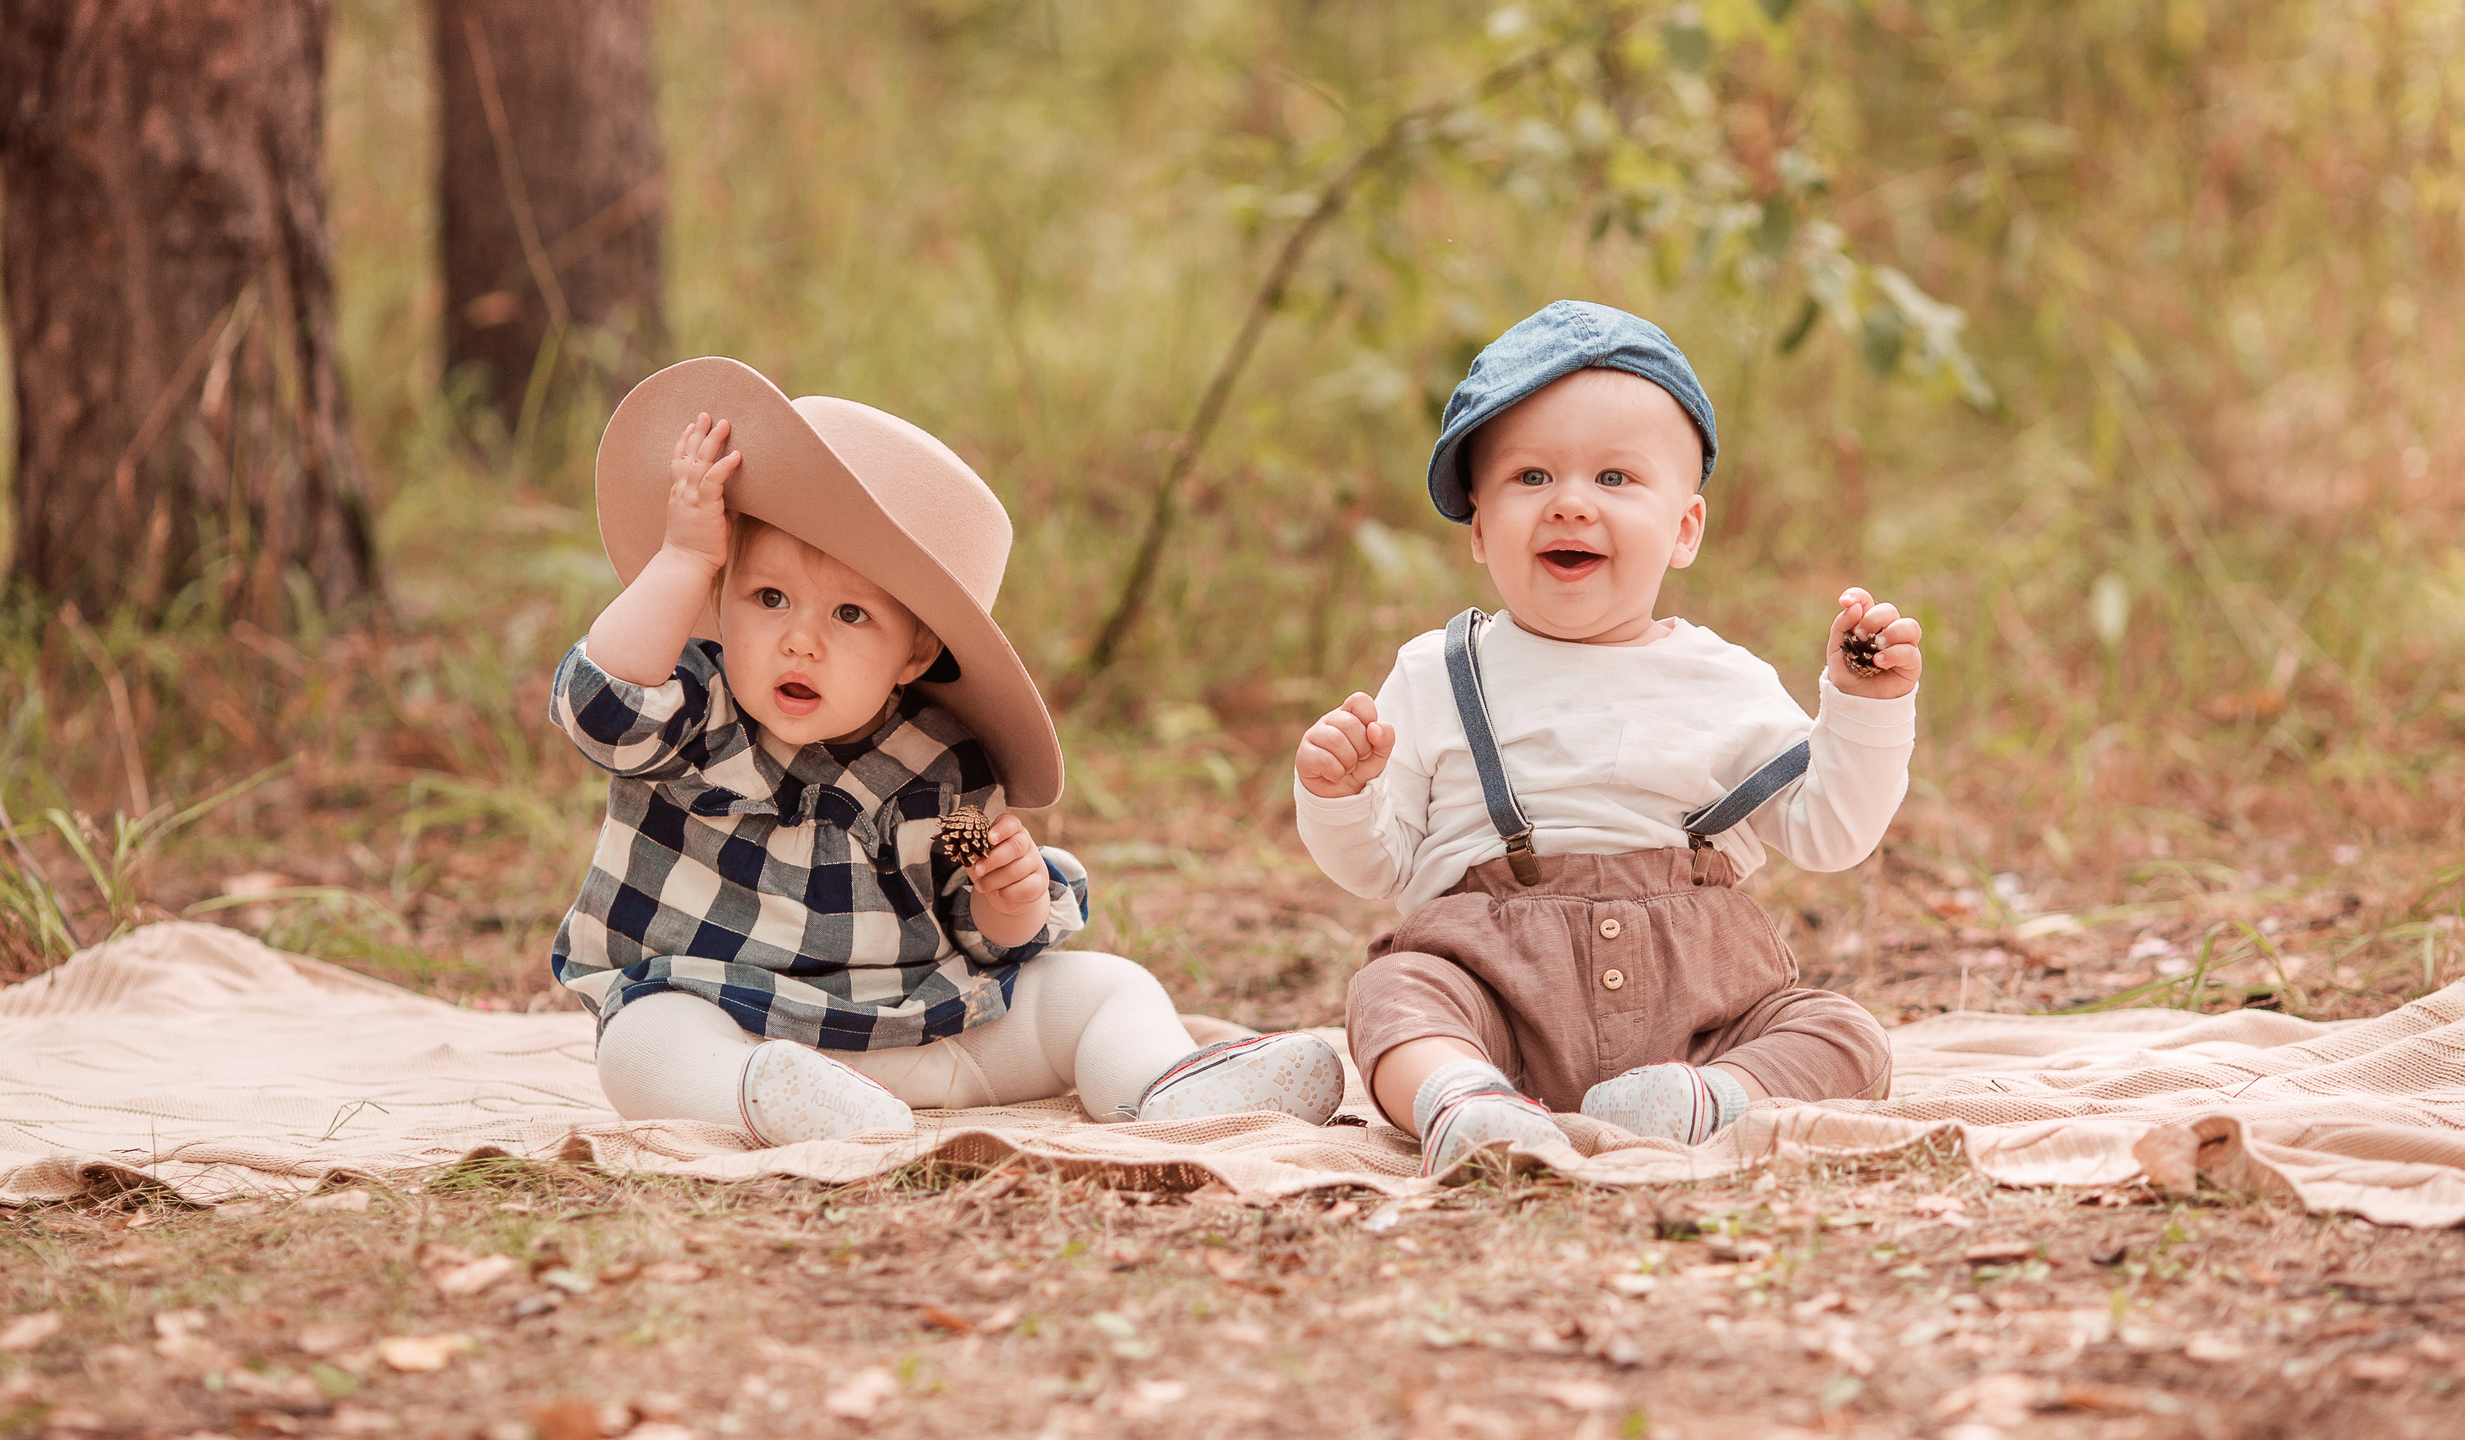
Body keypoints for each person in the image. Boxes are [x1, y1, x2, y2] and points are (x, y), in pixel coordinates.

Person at [551, 357, 1345, 1145]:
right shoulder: (690, 709)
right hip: (741, 1023)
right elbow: (599, 705)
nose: (800, 639)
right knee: (640, 1040)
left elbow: (979, 923)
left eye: (851, 615)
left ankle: (1163, 1085)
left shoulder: (943, 764)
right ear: (721, 601)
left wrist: (1012, 897)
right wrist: (685, 558)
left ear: (916, 656)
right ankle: (772, 1105)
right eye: (769, 597)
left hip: (931, 1028)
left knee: (1102, 987)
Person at [1293, 303, 1919, 1172]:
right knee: (1393, 994)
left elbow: (1831, 833)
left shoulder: (1723, 680)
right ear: (1479, 528)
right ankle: (1465, 1102)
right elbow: (1379, 867)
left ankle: (1705, 1101)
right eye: (1531, 478)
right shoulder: (1441, 672)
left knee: (1843, 1034)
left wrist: (1862, 706)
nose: (1571, 505)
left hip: (1701, 1004)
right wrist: (1340, 794)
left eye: (1616, 479)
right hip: (1494, 995)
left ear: (1685, 529)